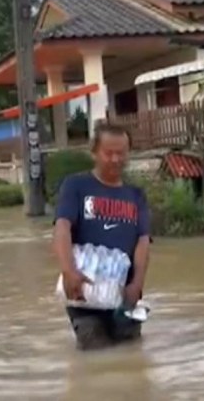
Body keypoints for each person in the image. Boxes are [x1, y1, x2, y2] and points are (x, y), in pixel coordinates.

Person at [52, 124, 151, 350]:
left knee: (130, 354)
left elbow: (143, 242)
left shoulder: (136, 195)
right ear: (94, 152)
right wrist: (68, 271)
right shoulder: (75, 185)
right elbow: (62, 228)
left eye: (121, 153)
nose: (115, 159)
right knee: (95, 353)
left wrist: (137, 284)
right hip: (83, 292)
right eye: (108, 153)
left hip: (124, 294)